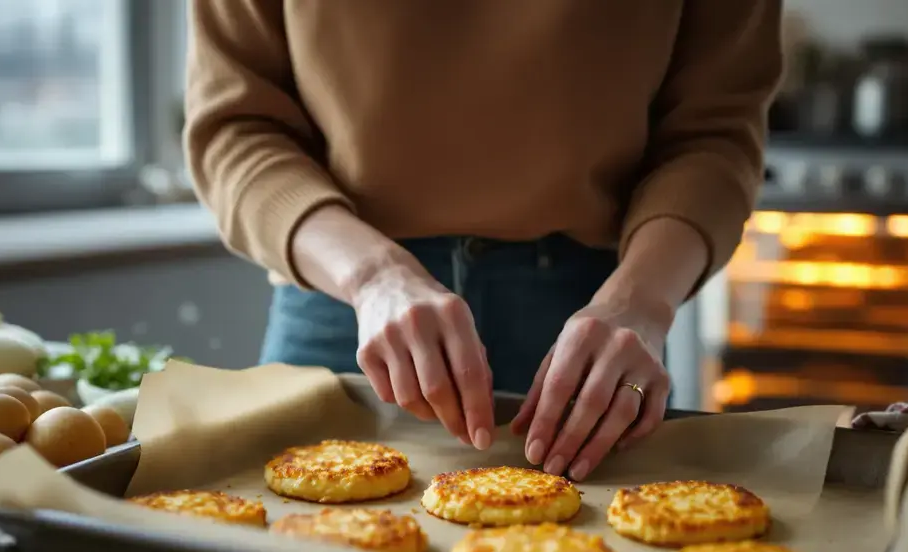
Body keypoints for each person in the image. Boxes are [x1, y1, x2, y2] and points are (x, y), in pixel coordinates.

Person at [185, 1, 784, 481]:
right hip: (345, 298)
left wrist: (640, 303)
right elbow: (235, 128)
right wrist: (372, 276)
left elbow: (713, 136)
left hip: (592, 321)